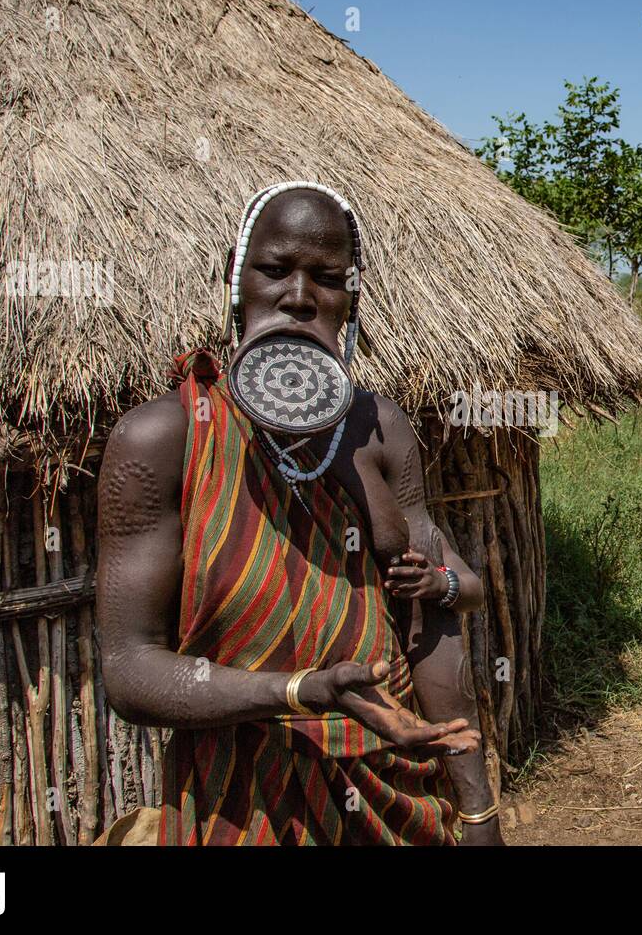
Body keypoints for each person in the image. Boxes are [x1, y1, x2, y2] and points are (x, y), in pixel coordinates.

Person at [95, 182, 504, 844]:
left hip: (391, 795)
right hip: (235, 799)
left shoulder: (381, 429)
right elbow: (130, 670)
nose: (300, 296)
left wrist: (478, 812)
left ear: (352, 301)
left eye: (328, 279)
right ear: (237, 285)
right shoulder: (164, 438)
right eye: (275, 269)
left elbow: (435, 617)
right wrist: (298, 691)